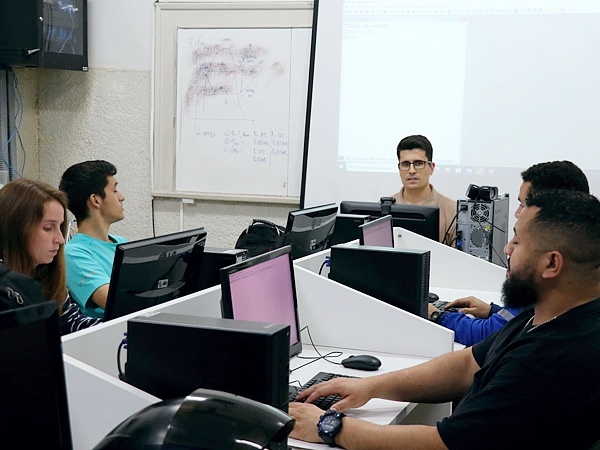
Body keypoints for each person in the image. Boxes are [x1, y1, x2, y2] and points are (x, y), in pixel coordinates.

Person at [289, 189, 600, 449]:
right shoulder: (549, 311)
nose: (507, 249)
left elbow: (445, 444)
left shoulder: (554, 355)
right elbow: (467, 364)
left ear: (552, 264)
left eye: (517, 243)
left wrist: (331, 427)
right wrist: (369, 386)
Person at [429, 160, 590, 346]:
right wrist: (494, 312)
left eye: (523, 204)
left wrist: (436, 315)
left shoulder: (541, 264)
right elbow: (522, 317)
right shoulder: (581, 257)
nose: (517, 213)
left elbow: (488, 334)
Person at [0, 179, 101, 335]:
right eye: (48, 228)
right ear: (15, 229)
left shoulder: (46, 275)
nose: (60, 239)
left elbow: (69, 323)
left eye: (60, 227)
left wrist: (121, 328)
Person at [59, 160, 126, 318]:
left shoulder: (122, 243)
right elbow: (118, 302)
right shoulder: (74, 253)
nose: (121, 197)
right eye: (115, 190)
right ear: (96, 200)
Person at [392, 135, 456, 246]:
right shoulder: (383, 209)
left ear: (431, 168)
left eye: (418, 163)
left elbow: (459, 255)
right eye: (405, 164)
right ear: (399, 169)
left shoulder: (452, 211)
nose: (411, 171)